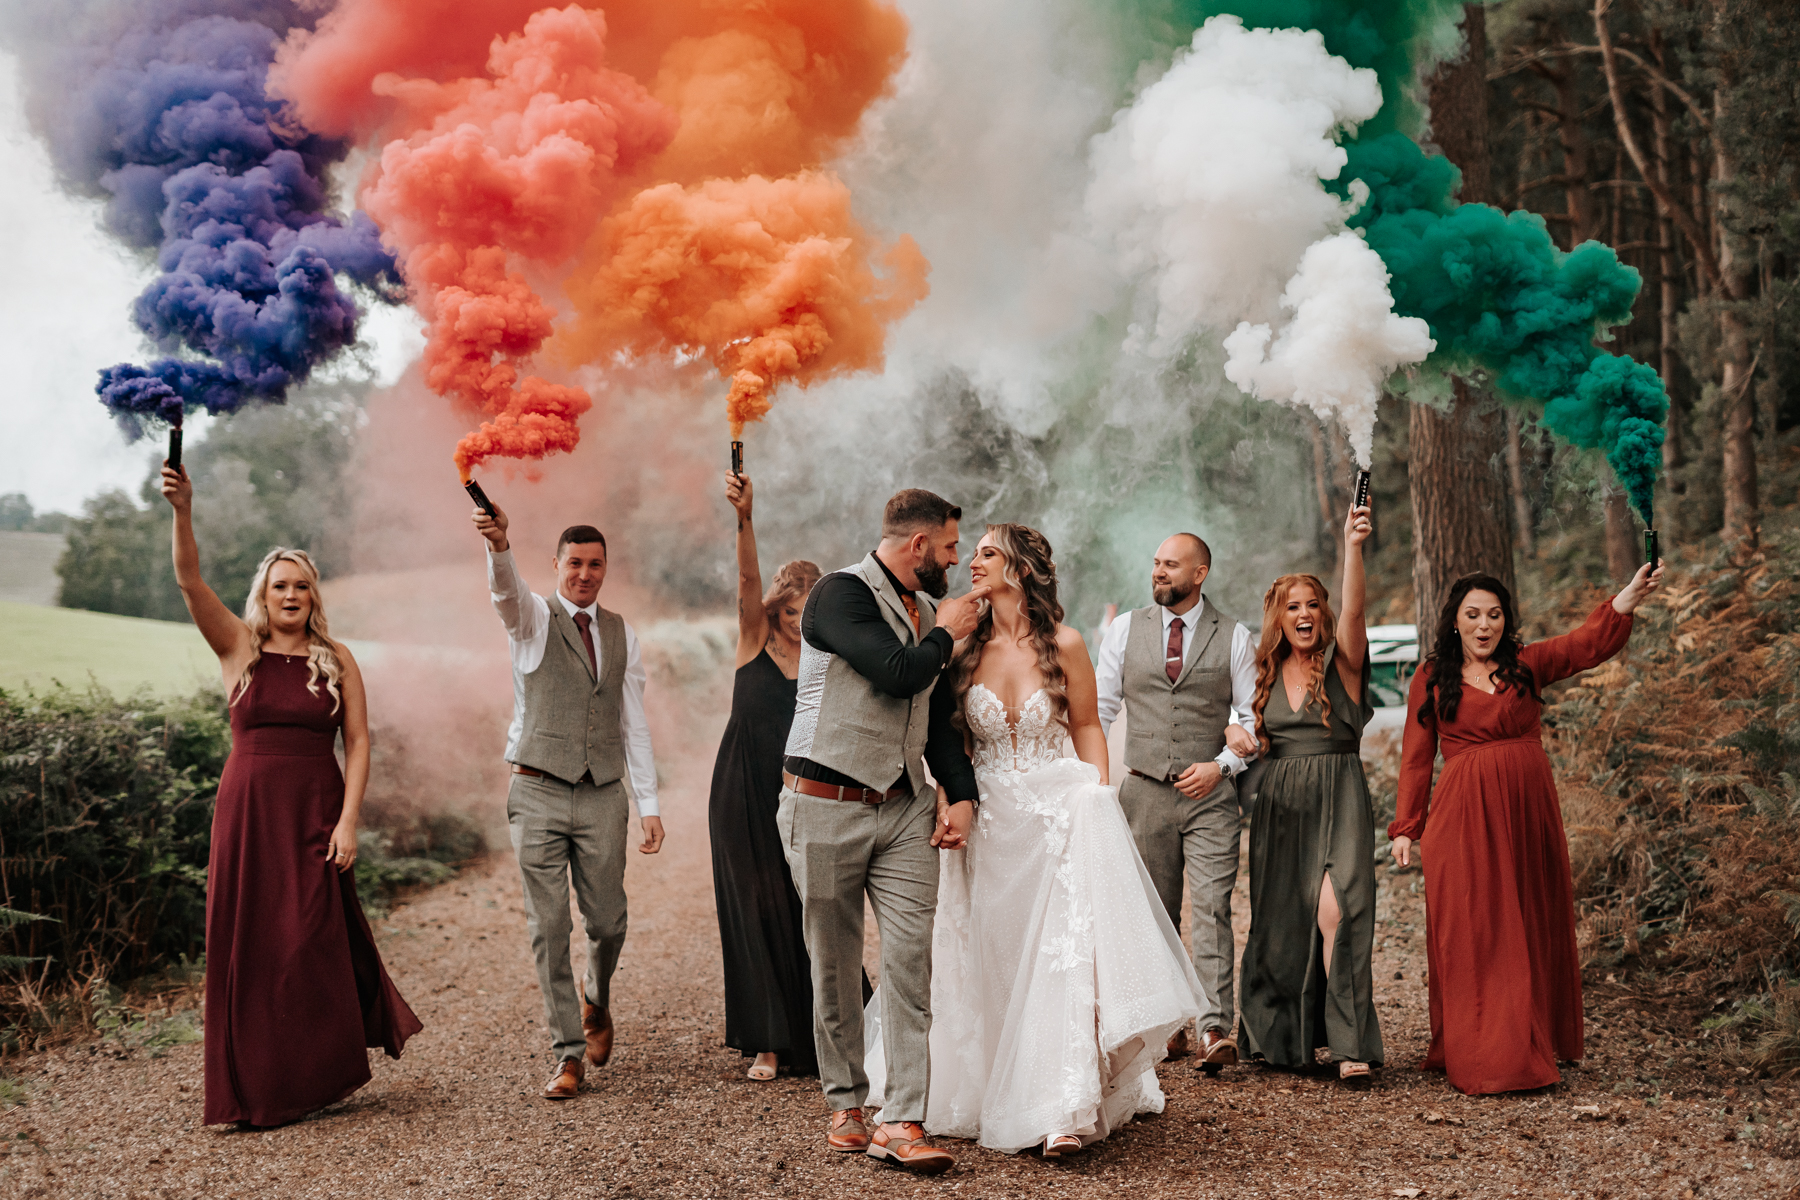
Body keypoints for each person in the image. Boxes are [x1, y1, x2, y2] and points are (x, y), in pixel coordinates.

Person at [864, 523, 1206, 1156]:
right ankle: (996, 1080)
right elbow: (955, 743)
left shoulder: (1066, 644)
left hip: (1057, 815)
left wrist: (1097, 794)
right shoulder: (962, 650)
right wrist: (951, 798)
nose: (972, 563)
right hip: (990, 824)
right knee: (994, 955)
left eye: (987, 553)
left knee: (1062, 955)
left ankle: (1061, 1106)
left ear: (1019, 569)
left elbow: (1085, 724)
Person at [158, 463, 420, 1128]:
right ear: (264, 594)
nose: (292, 593)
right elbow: (189, 580)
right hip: (246, 816)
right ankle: (254, 1092)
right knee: (249, 949)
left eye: (302, 584)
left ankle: (310, 1077)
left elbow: (358, 742)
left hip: (314, 815)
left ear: (314, 594)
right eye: (281, 585)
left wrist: (350, 820)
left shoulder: (336, 659)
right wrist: (183, 510)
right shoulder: (238, 650)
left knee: (307, 942)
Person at [1391, 560, 1664, 1094]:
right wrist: (1407, 827)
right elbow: (1416, 758)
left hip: (1525, 813)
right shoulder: (1432, 677)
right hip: (1463, 818)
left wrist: (1627, 596)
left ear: (1505, 620)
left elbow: (1585, 644)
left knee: (1525, 922)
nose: (1484, 624)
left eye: (1494, 614)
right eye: (1473, 614)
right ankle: (1483, 1051)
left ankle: (1526, 1041)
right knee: (1476, 928)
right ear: (1455, 621)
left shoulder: (1528, 664)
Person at [776, 488, 988, 1175]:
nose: (957, 560)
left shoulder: (929, 614)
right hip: (823, 800)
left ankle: (903, 1119)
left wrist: (962, 795)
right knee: (834, 961)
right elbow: (899, 674)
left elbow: (937, 716)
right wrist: (947, 632)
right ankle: (846, 1103)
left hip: (902, 809)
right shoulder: (838, 596)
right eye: (952, 547)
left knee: (908, 961)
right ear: (918, 545)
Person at [472, 500, 664, 1101]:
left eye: (595, 565)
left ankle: (596, 997)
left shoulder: (621, 632)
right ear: (555, 565)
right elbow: (506, 594)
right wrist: (499, 545)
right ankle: (567, 1054)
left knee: (608, 921)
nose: (584, 574)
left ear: (606, 569)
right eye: (574, 563)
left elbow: (633, 722)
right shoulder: (532, 619)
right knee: (548, 925)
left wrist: (649, 801)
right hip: (536, 790)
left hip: (603, 794)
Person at [1095, 533, 1260, 1072]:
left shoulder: (1234, 636)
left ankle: (1214, 1027)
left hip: (1211, 796)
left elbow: (1250, 717)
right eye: (1156, 562)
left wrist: (1222, 766)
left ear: (1201, 573)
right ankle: (1167, 1026)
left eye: (1171, 564)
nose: (1159, 572)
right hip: (1142, 791)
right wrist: (1093, 779)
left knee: (1212, 909)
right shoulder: (1125, 630)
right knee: (1154, 913)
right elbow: (1099, 708)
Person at [1238, 501, 1383, 1081]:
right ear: (1278, 617)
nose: (1304, 615)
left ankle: (1349, 1044)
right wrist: (1235, 735)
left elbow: (1355, 610)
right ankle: (1277, 1036)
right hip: (1280, 806)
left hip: (1339, 795)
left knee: (1338, 910)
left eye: (1312, 605)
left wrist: (1352, 545)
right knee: (1280, 922)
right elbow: (1243, 732)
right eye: (1293, 607)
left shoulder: (1342, 665)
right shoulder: (1262, 675)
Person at [709, 470, 821, 1081]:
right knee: (754, 907)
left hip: (802, 786)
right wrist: (745, 520)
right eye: (791, 610)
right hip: (742, 788)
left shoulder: (827, 657)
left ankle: (819, 1028)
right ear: (777, 606)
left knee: (806, 902)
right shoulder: (753, 638)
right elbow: (747, 580)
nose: (798, 622)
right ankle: (768, 1041)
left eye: (810, 612)